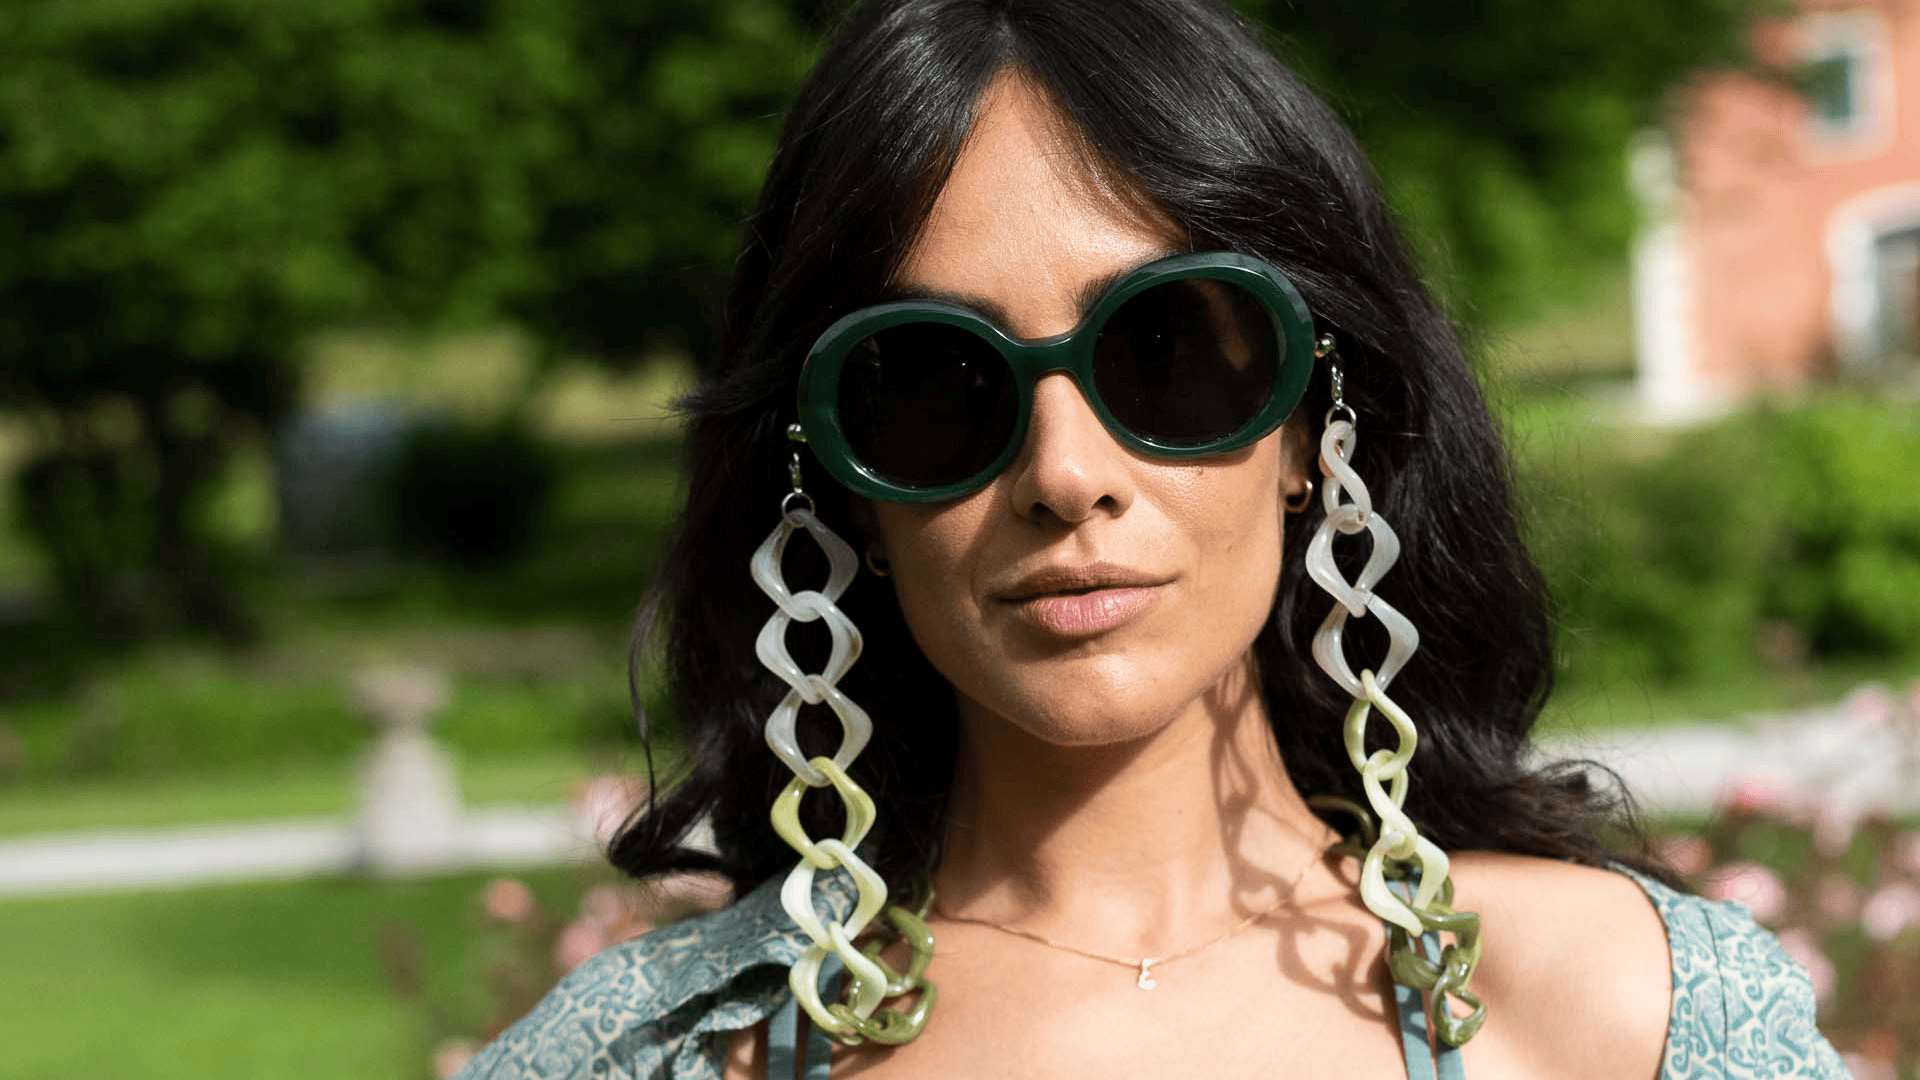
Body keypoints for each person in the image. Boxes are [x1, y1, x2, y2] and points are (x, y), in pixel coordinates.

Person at [457, 1, 1848, 1078]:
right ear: (837, 485)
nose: (1068, 474)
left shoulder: (1622, 1015)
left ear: (1316, 419)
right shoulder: (674, 1056)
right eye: (938, 387)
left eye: (1171, 351)